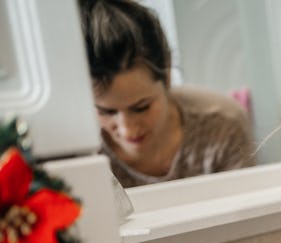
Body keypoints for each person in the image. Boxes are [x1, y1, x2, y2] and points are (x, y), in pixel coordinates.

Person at [79, 0, 256, 188]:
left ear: (168, 74)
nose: (127, 130)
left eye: (141, 107)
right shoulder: (82, 152)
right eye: (106, 111)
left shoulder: (222, 125)